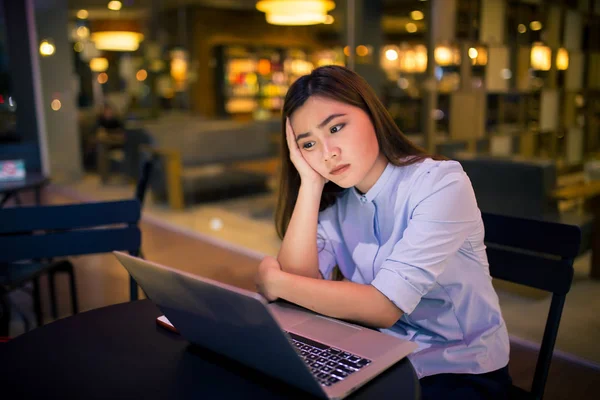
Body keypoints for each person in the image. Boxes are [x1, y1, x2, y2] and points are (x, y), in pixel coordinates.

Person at [255, 65, 511, 400]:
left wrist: (275, 282)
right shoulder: (340, 202)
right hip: (380, 354)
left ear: (372, 114)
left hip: (460, 369)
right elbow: (298, 289)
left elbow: (383, 306)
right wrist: (310, 180)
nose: (327, 153)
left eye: (335, 127)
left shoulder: (441, 183)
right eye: (309, 143)